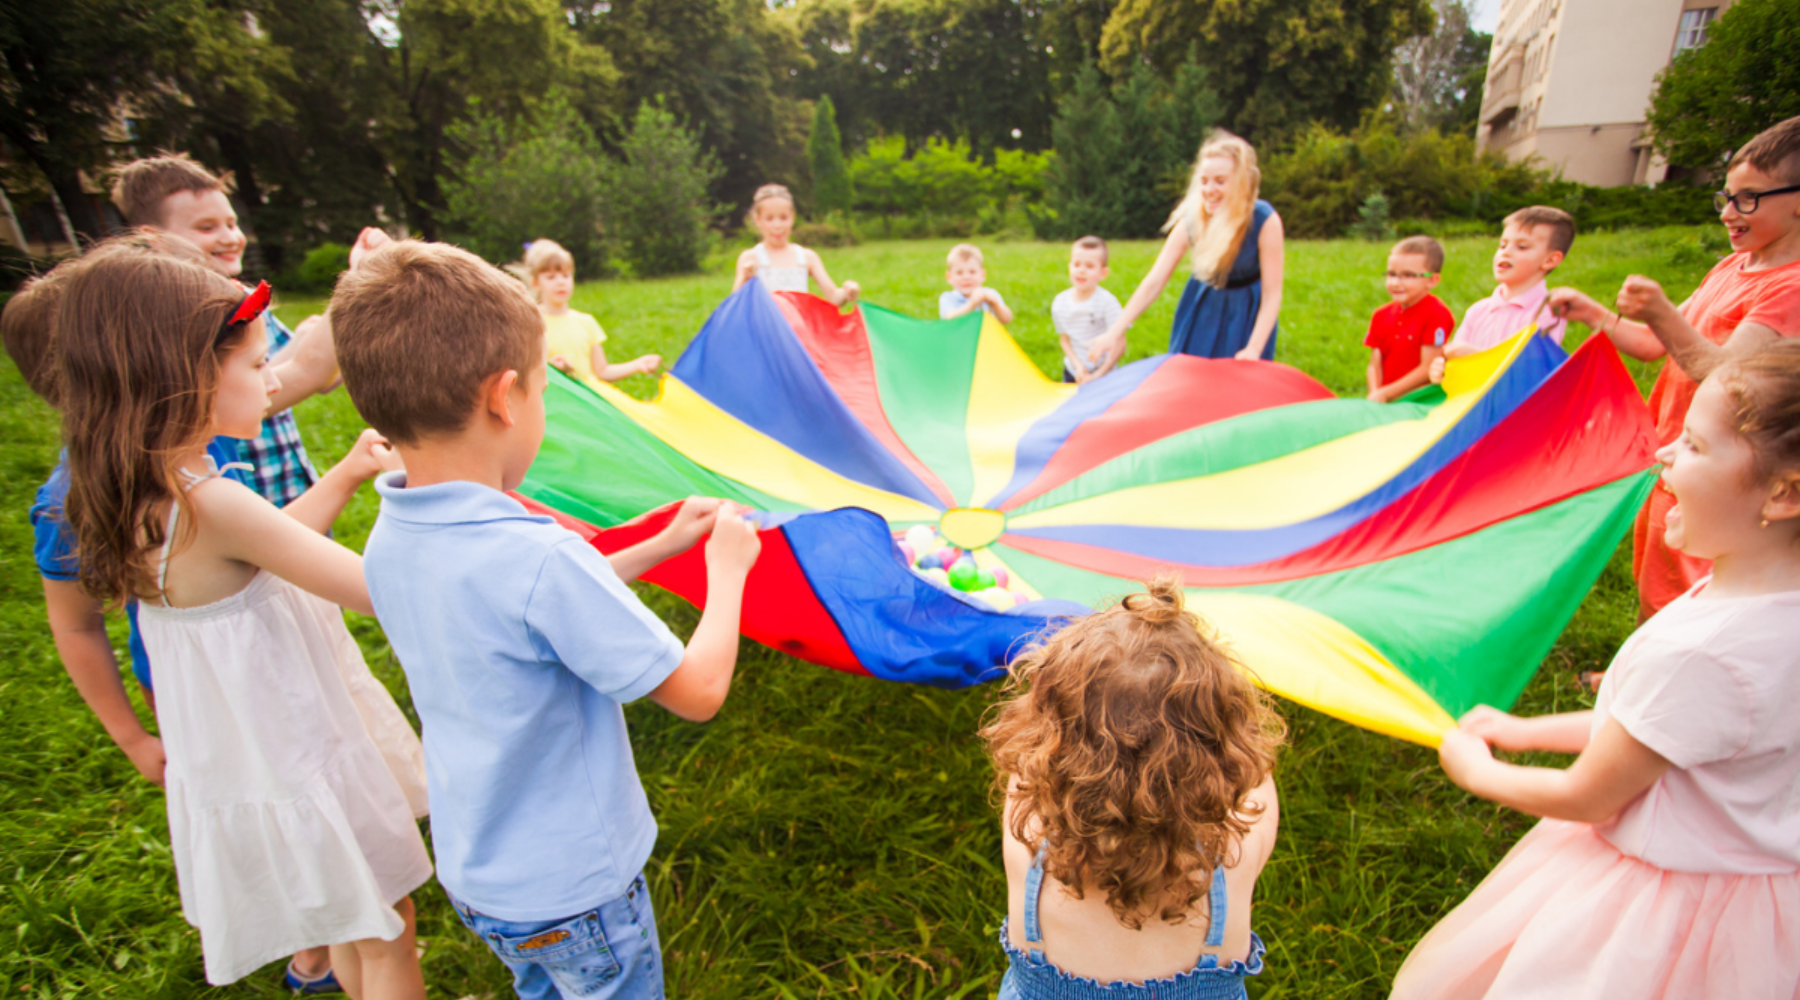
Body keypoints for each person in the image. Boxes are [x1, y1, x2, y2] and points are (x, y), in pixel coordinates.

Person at [331, 240, 763, 1000]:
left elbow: (524, 607)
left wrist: (660, 544)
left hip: (484, 878)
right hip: (579, 891)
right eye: (542, 391)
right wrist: (725, 572)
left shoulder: (393, 531)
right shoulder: (535, 559)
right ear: (505, 397)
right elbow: (697, 691)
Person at [53, 238, 432, 995]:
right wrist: (423, 505)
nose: (272, 381)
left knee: (355, 918)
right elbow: (374, 589)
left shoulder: (147, 492)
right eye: (257, 365)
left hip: (255, 754)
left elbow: (264, 550)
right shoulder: (214, 501)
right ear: (185, 379)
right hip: (302, 745)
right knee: (390, 933)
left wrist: (349, 472)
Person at [1393, 341, 1800, 1000]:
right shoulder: (1767, 608)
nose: (1665, 451)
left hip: (1658, 911)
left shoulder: (1705, 653)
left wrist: (1482, 770)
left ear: (1782, 494)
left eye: (1694, 445)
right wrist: (1527, 730)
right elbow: (1661, 732)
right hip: (1760, 904)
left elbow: (1591, 795)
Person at [1547, 115, 1800, 621]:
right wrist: (1594, 312)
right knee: (1656, 573)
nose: (1729, 211)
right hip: (1673, 455)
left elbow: (1732, 380)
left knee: (1695, 593)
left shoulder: (1790, 288)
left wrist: (1661, 310)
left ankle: (1671, 683)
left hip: (1726, 472)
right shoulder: (1731, 267)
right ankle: (1641, 667)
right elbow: (1649, 344)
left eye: (1748, 198)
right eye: (1725, 196)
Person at [981, 578, 1285, 999]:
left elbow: (1026, 764)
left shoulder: (1030, 838)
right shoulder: (1237, 855)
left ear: (1052, 744)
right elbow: (1255, 776)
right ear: (1220, 755)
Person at [110, 153, 349, 509]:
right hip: (240, 502)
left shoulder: (247, 300)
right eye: (207, 228)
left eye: (232, 223)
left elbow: (319, 376)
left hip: (289, 485)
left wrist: (313, 346)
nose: (230, 237)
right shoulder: (175, 321)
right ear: (155, 237)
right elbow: (305, 373)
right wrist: (357, 279)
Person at [1086, 131, 1285, 375]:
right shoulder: (1194, 220)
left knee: (1242, 387)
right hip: (1203, 308)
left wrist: (1253, 349)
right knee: (1191, 382)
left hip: (1246, 314)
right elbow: (1155, 280)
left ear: (1241, 181)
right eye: (1204, 180)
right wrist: (1115, 332)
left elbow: (1272, 293)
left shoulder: (1264, 220)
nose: (1209, 189)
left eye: (1220, 181)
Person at [518, 238, 660, 385]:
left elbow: (602, 371)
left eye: (566, 275)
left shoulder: (586, 322)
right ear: (535, 283)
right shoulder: (531, 325)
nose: (560, 282)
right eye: (551, 277)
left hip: (586, 403)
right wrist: (552, 370)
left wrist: (637, 365)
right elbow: (525, 374)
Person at [1441, 207, 1573, 359]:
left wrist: (1479, 357)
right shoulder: (1478, 311)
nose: (1506, 252)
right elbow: (1453, 358)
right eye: (1503, 245)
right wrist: (1441, 366)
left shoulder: (1547, 312)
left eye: (1522, 247)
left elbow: (1533, 369)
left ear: (1550, 260)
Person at [731, 183, 860, 305]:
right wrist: (745, 278)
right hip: (765, 327)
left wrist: (847, 292)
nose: (777, 226)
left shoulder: (807, 257)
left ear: (792, 217)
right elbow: (734, 305)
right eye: (769, 219)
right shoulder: (750, 258)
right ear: (758, 220)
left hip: (799, 327)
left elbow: (833, 297)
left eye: (783, 218)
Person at [1365, 236, 1454, 402]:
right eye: (1391, 274)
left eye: (1408, 275)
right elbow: (1374, 364)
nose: (1396, 282)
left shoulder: (1437, 314)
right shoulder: (1380, 315)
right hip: (1384, 401)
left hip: (1419, 401)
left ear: (1432, 280)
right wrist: (1375, 393)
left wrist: (1386, 393)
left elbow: (1428, 367)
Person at [1052, 236, 1123, 384]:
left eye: (1089, 266)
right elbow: (1064, 340)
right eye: (1077, 264)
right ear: (1069, 266)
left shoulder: (1107, 303)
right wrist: (1078, 368)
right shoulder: (1060, 303)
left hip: (1105, 374)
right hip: (1074, 371)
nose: (1081, 271)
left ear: (1103, 273)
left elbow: (1120, 344)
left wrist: (1099, 374)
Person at [939, 243, 1014, 324]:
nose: (966, 277)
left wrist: (996, 305)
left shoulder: (989, 294)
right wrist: (971, 304)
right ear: (949, 277)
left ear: (982, 275)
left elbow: (1007, 319)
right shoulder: (948, 298)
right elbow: (949, 319)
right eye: (959, 273)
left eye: (972, 272)